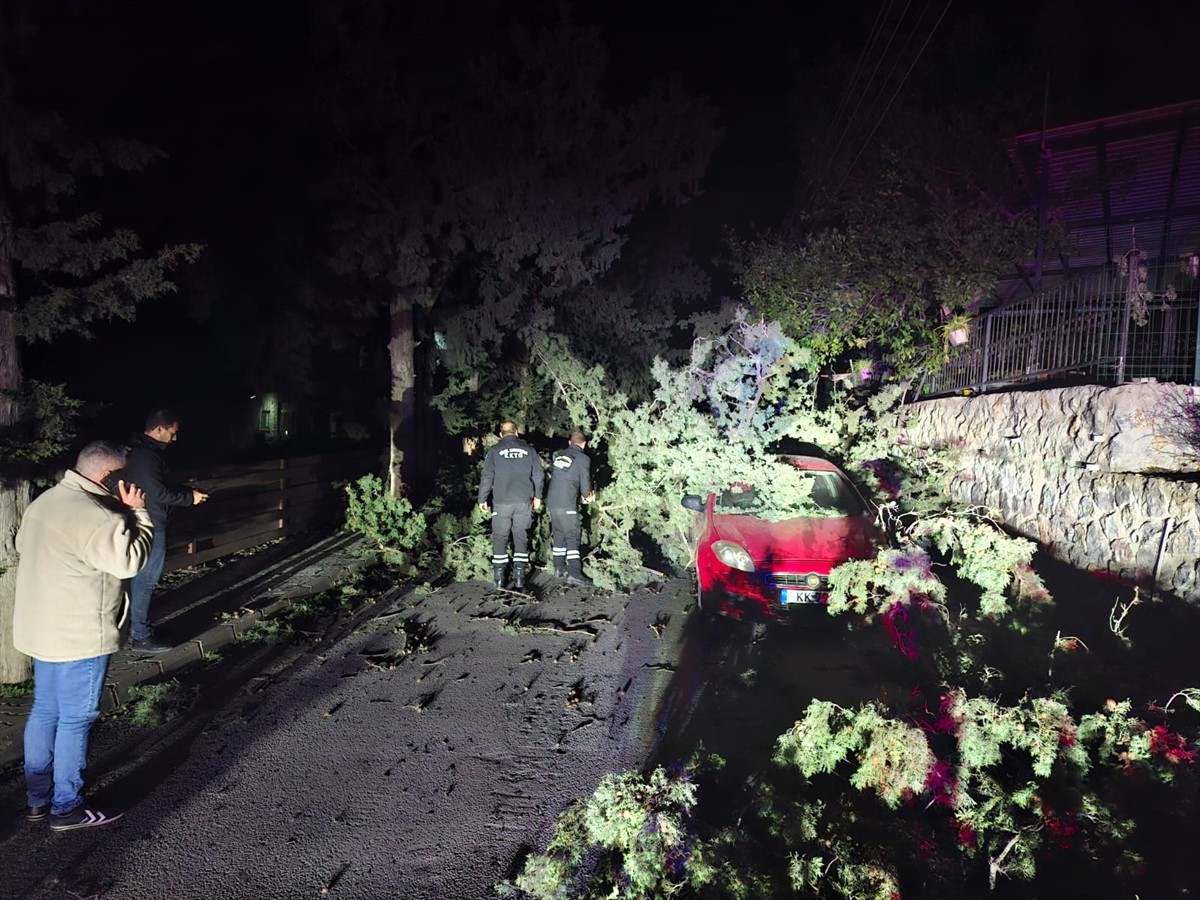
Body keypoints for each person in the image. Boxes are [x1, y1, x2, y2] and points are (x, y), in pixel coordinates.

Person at [13, 440, 154, 831]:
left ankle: (37, 800)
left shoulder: (45, 503)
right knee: (76, 719)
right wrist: (138, 514)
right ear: (108, 476)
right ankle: (67, 807)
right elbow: (130, 560)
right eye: (123, 475)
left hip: (42, 631)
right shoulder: (96, 516)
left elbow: (24, 546)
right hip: (79, 636)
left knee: (45, 712)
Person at [120, 409, 208, 652]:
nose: (175, 438)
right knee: (145, 581)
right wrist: (189, 497)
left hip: (146, 521)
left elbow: (158, 486)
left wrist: (183, 489)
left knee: (139, 580)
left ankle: (135, 631)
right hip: (150, 524)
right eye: (173, 432)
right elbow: (157, 493)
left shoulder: (145, 454)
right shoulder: (147, 457)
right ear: (159, 429)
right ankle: (141, 636)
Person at [477, 421, 543, 590]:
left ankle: (499, 579)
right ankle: (520, 577)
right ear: (517, 433)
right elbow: (538, 475)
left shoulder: (494, 451)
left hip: (502, 501)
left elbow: (487, 477)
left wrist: (482, 498)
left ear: (501, 434)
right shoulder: (529, 450)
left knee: (500, 536)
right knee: (520, 534)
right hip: (523, 500)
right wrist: (538, 496)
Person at [546, 429, 595, 586]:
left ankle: (558, 568)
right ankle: (574, 573)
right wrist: (588, 495)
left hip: (553, 501)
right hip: (567, 502)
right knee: (572, 535)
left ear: (569, 442)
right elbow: (585, 483)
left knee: (559, 533)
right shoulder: (583, 458)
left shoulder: (559, 455)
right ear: (584, 443)